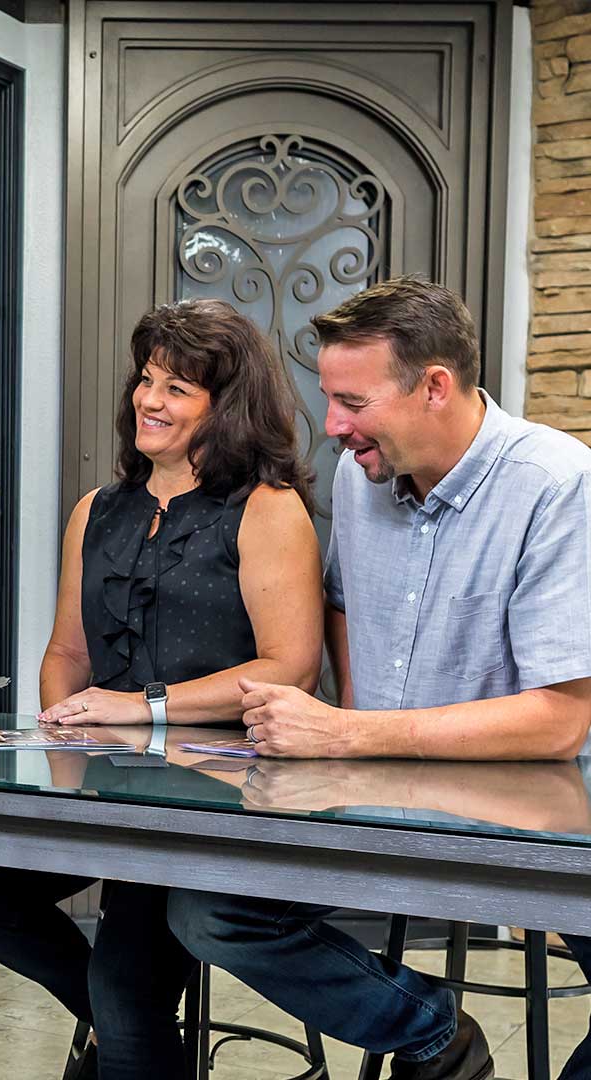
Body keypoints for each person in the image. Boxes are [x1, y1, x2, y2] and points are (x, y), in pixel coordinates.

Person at [167, 276, 591, 1080]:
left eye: (351, 402)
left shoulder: (560, 485)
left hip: (539, 823)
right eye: (329, 399)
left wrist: (348, 731)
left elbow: (559, 722)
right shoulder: (366, 478)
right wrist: (359, 729)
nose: (332, 428)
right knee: (210, 911)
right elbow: (340, 605)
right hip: (383, 807)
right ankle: (434, 1034)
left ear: (435, 386)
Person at [0, 298, 324, 1080]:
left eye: (177, 388)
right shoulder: (96, 510)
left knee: (126, 989)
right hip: (102, 793)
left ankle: (126, 1028)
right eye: (146, 380)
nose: (148, 400)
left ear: (228, 407)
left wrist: (140, 709)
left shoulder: (268, 509)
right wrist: (60, 731)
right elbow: (67, 652)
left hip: (214, 799)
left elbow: (290, 669)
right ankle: (131, 1029)